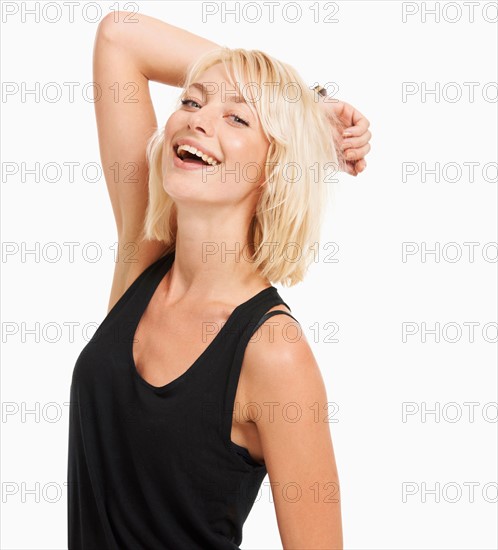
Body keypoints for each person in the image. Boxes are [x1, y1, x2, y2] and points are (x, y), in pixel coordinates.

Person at [67, 10, 372, 550]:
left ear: (275, 166)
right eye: (192, 100)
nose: (199, 118)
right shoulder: (145, 257)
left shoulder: (273, 350)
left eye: (239, 119)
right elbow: (120, 37)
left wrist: (292, 111)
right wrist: (304, 101)